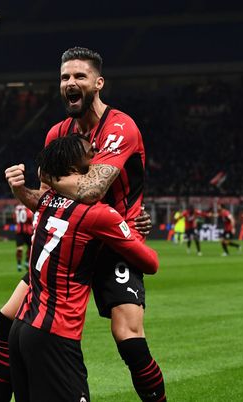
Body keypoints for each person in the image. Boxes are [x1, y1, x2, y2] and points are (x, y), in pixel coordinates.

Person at [0, 47, 165, 402]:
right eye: (64, 77)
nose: (70, 83)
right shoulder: (58, 134)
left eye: (79, 76)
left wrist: (48, 176)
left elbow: (92, 189)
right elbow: (46, 201)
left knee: (128, 337)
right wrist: (21, 190)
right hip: (70, 241)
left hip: (115, 240)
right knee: (7, 318)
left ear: (98, 83)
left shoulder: (120, 126)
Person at [9, 135, 159, 402]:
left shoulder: (46, 200)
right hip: (55, 335)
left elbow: (42, 187)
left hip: (22, 328)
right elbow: (151, 263)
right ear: (74, 165)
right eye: (90, 152)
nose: (96, 154)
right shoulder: (98, 214)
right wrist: (130, 230)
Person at [13, 204, 33, 271]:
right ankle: (27, 262)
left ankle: (19, 265)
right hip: (28, 231)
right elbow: (30, 217)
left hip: (19, 232)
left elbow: (14, 218)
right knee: (30, 248)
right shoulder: (28, 207)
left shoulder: (17, 208)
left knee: (19, 249)